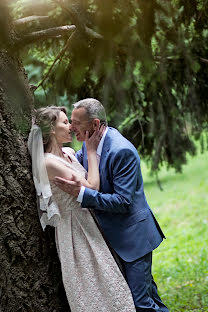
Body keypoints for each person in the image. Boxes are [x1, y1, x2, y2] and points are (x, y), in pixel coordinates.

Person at [54, 98, 169, 312]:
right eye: (70, 121)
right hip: (112, 239)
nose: (71, 127)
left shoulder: (121, 150)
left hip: (133, 239)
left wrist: (82, 194)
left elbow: (123, 202)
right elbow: (78, 167)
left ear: (95, 124)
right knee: (148, 296)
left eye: (76, 122)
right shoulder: (87, 147)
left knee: (140, 302)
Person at [27, 106, 136, 312]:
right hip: (75, 229)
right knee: (91, 286)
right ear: (51, 128)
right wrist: (91, 150)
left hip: (90, 222)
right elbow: (92, 186)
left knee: (110, 280)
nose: (71, 126)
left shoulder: (68, 153)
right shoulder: (49, 163)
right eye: (65, 122)